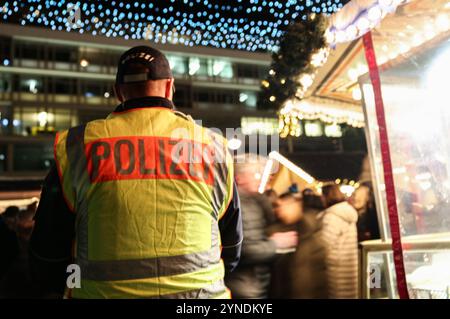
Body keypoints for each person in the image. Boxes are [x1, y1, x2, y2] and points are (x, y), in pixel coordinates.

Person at [30, 46, 243, 299]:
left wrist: (66, 284)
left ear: (119, 92)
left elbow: (49, 250)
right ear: (169, 87)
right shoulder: (212, 145)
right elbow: (231, 245)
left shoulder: (78, 146)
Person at [225, 154, 297, 299]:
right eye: (255, 174)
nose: (259, 179)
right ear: (239, 178)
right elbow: (244, 250)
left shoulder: (252, 201)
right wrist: (276, 244)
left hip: (253, 284)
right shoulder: (240, 206)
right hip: (244, 288)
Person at [269, 190, 328, 299]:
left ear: (297, 205)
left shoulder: (312, 228)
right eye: (277, 206)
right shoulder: (274, 233)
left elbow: (320, 268)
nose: (279, 210)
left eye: (285, 205)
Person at [319, 184, 358, 299]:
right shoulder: (346, 212)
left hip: (336, 271)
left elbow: (325, 245)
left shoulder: (332, 217)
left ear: (326, 196)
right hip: (349, 266)